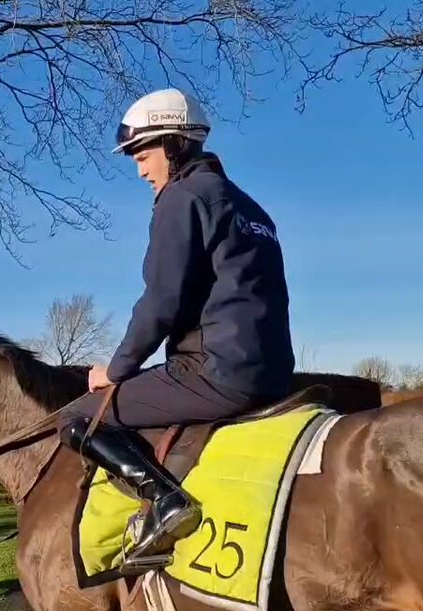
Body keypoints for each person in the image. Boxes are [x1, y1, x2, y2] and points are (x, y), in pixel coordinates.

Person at [57, 88, 295, 572]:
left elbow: (160, 302)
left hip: (214, 371)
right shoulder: (252, 209)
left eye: (143, 156)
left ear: (175, 145)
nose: (141, 171)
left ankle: (166, 501)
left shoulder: (182, 197)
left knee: (78, 418)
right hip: (273, 373)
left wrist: (117, 369)